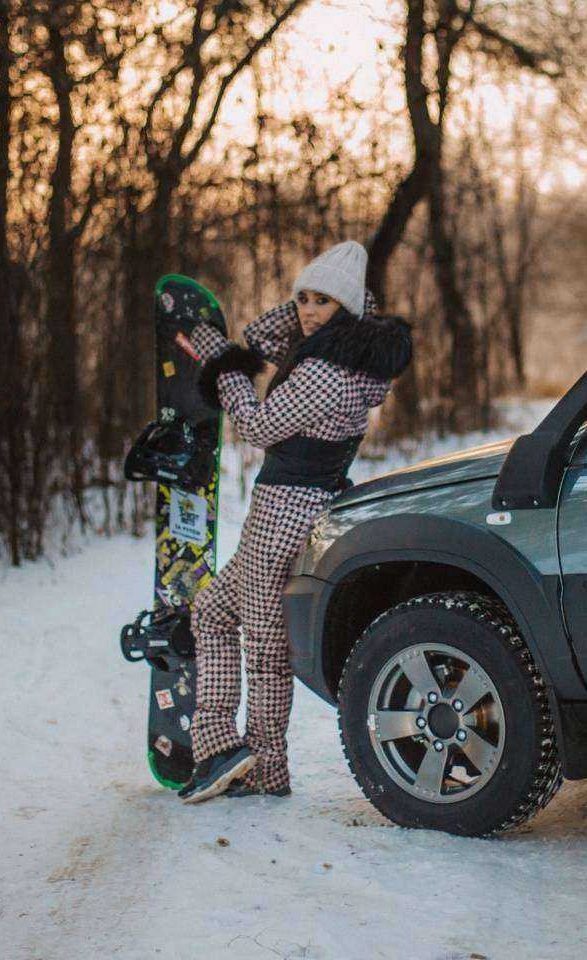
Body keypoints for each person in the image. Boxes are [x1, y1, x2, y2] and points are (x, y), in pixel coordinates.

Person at [177, 240, 412, 803]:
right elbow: (260, 339)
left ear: (348, 309)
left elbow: (257, 427)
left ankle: (262, 767)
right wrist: (317, 307)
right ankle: (224, 748)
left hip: (285, 511)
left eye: (323, 301)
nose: (308, 310)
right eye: (302, 298)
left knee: (264, 647)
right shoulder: (346, 355)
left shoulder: (328, 372)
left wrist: (220, 365)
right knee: (211, 610)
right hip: (296, 507)